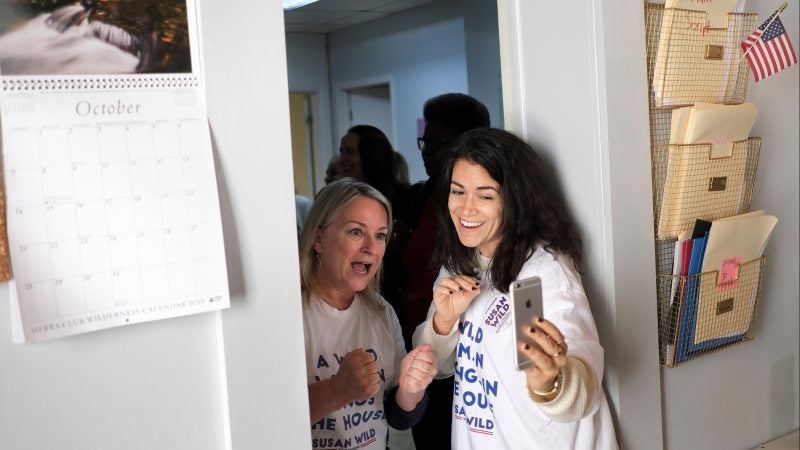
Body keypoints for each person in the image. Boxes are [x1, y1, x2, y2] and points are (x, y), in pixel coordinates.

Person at [412, 128, 618, 449]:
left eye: (485, 195)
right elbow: (436, 365)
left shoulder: (544, 269)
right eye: (457, 191)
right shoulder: (459, 262)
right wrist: (443, 322)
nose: (466, 209)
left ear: (515, 201)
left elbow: (584, 389)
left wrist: (549, 383)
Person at [299, 179, 438, 450]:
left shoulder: (381, 311)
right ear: (318, 239)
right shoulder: (291, 315)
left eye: (380, 235)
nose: (371, 248)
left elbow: (398, 418)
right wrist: (338, 390)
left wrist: (412, 388)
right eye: (355, 232)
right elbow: (268, 416)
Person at [402, 93, 489, 450]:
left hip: (461, 361)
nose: (426, 151)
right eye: (426, 140)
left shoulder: (473, 216)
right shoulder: (418, 197)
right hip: (421, 345)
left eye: (439, 143)